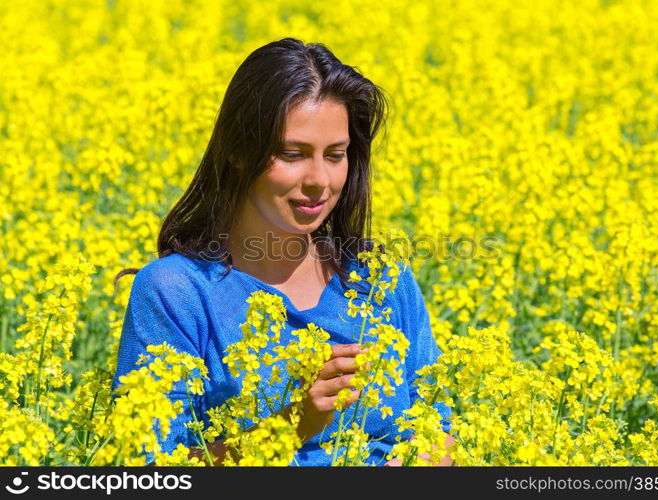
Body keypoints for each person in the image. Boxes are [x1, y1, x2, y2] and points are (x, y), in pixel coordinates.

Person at [111, 37, 453, 466]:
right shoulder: (175, 292)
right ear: (238, 151)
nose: (319, 181)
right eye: (292, 154)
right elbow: (148, 467)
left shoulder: (383, 280)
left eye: (336, 155)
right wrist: (294, 423)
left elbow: (440, 428)